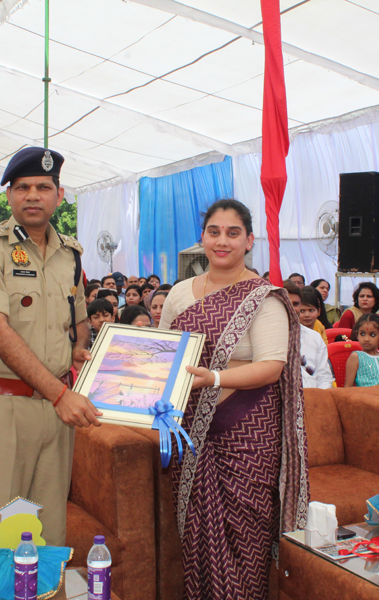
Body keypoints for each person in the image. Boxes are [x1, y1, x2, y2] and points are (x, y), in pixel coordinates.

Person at [158, 198, 308, 600]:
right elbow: (162, 354)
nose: (222, 241)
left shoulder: (264, 297)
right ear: (202, 238)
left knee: (246, 538)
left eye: (232, 233)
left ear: (249, 241)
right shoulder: (179, 294)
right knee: (197, 538)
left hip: (247, 436)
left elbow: (271, 366)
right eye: (214, 232)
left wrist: (215, 378)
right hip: (190, 434)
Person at [0, 146, 100, 553]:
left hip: (55, 411)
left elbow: (78, 319)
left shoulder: (70, 254)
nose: (33, 195)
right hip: (4, 407)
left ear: (59, 195)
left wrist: (80, 351)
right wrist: (60, 394)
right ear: (8, 195)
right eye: (22, 187)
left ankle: (47, 589)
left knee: (50, 530)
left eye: (43, 187)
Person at [344, 313, 379, 387]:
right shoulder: (356, 357)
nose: (366, 339)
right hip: (365, 394)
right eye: (362, 334)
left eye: (372, 335)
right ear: (357, 335)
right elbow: (348, 388)